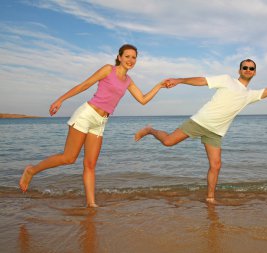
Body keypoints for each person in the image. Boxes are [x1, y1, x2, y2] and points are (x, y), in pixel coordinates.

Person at [135, 59, 267, 204]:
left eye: (251, 68)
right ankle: (150, 130)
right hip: (200, 121)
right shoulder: (227, 80)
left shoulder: (250, 95)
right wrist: (180, 80)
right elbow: (202, 80)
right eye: (245, 67)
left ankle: (210, 198)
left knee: (216, 165)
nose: (248, 70)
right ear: (239, 70)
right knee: (168, 142)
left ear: (254, 72)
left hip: (216, 132)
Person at [19, 44, 169, 207]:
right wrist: (61, 99)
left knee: (90, 165)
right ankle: (31, 170)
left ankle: (91, 204)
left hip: (100, 122)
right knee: (69, 158)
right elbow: (85, 85)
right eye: (127, 56)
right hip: (86, 115)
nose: (130, 60)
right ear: (119, 57)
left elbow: (143, 100)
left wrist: (160, 85)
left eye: (134, 57)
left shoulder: (128, 81)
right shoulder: (108, 70)